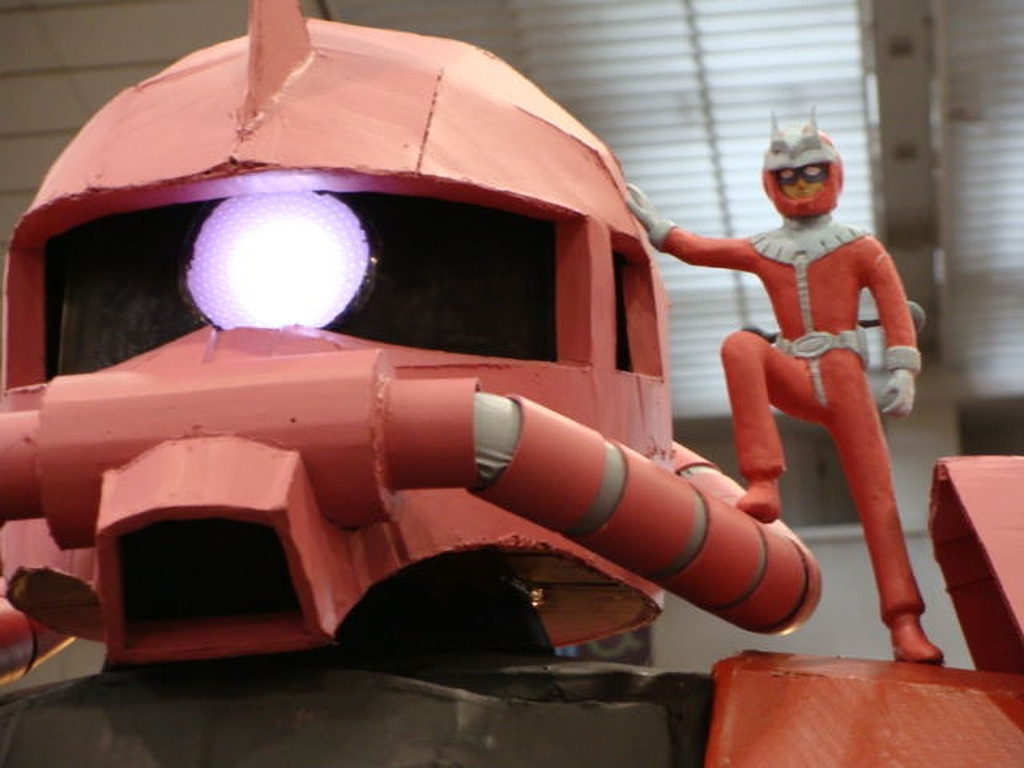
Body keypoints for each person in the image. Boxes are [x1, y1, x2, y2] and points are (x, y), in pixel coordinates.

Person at [627, 115, 943, 663]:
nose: (800, 186)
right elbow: (700, 249)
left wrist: (902, 370)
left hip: (845, 380)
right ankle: (764, 480)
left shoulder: (860, 247)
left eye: (811, 174)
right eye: (789, 178)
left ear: (832, 175)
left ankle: (904, 622)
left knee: (879, 502)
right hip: (794, 369)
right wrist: (659, 228)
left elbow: (895, 309)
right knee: (742, 346)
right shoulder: (765, 248)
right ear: (771, 183)